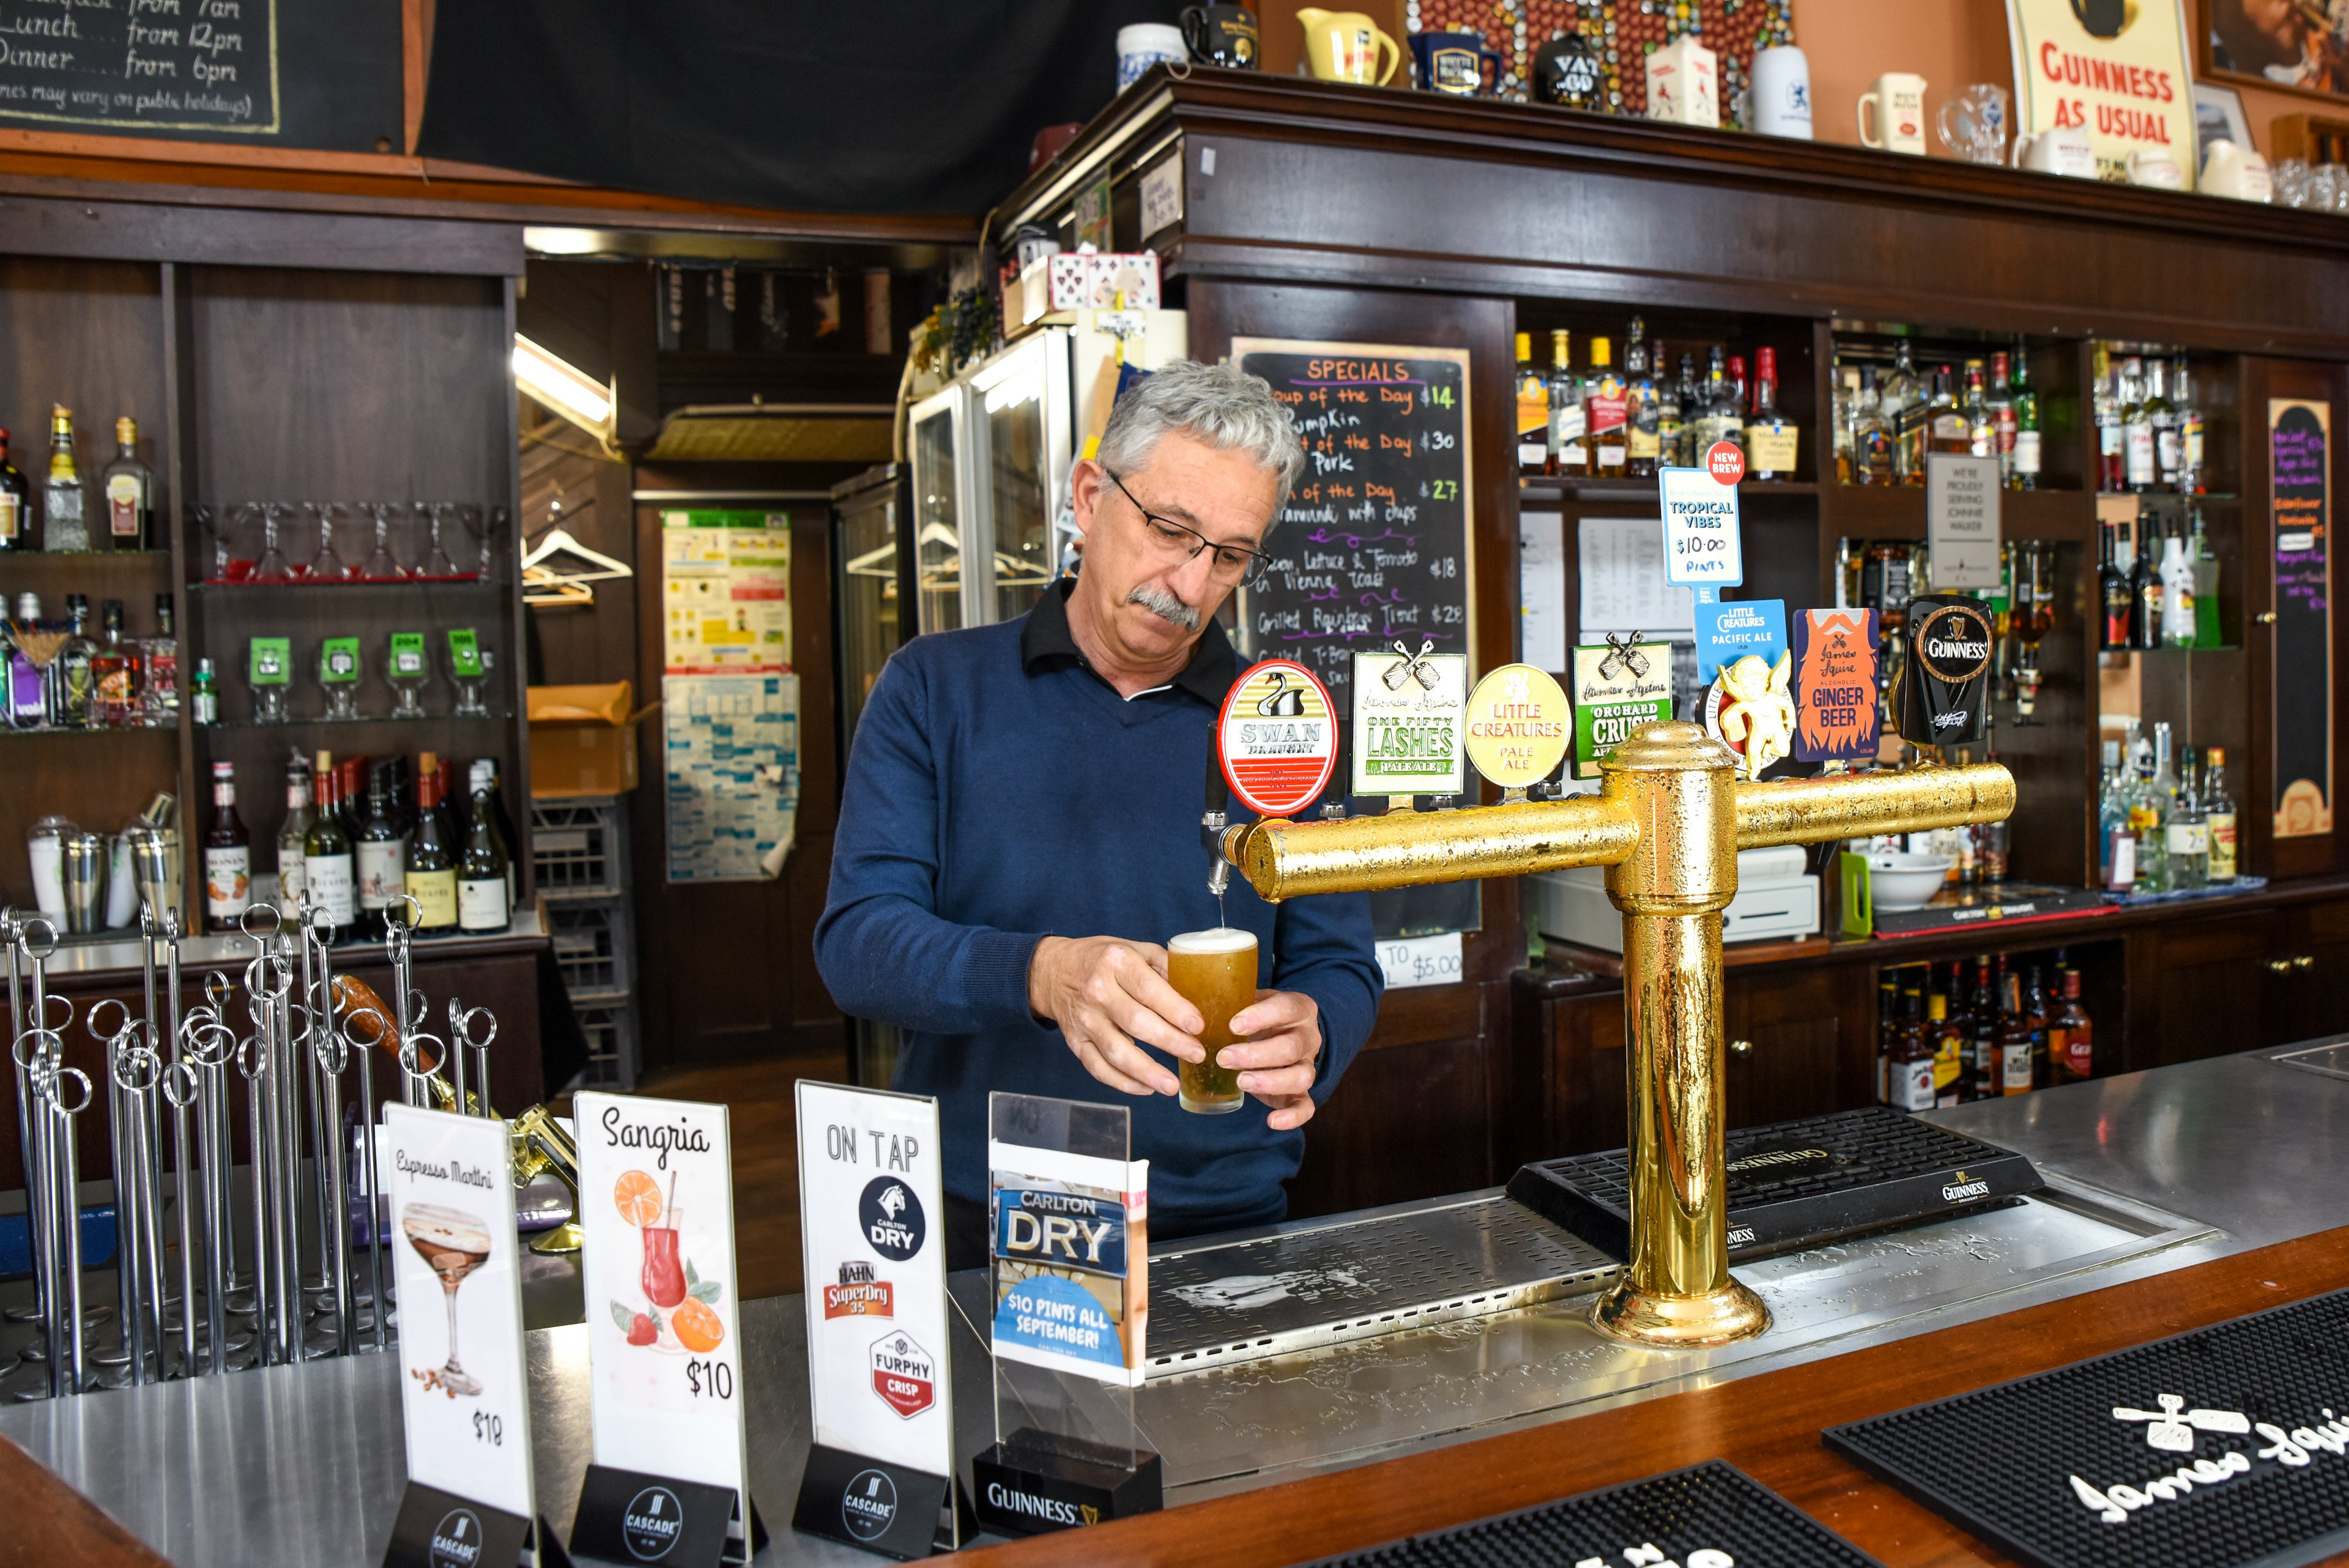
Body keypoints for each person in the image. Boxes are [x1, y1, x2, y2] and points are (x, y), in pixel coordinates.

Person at [815, 360, 1382, 1265]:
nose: (1190, 585)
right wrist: (1042, 974)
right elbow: (858, 949)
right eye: (1169, 530)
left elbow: (1341, 961)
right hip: (984, 1205)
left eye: (1230, 555)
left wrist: (1318, 1027)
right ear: (1089, 496)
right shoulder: (934, 687)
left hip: (1217, 1214)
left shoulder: (1282, 724)